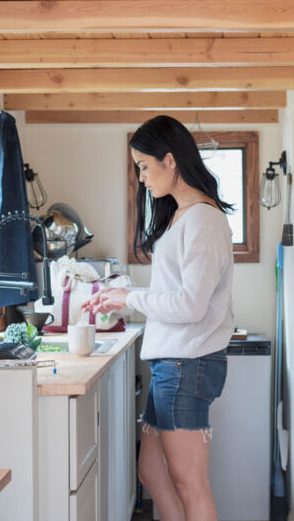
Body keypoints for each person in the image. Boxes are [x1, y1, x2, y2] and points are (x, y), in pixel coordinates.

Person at [81, 115, 234, 521]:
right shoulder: (184, 215)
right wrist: (122, 299)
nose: (142, 178)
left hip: (188, 364)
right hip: (173, 362)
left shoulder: (203, 218)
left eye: (144, 167)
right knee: (150, 471)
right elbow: (174, 296)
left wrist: (130, 296)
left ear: (170, 160)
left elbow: (189, 305)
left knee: (190, 483)